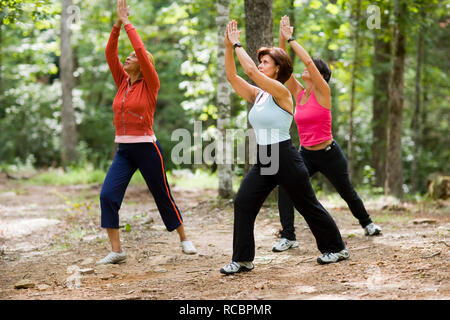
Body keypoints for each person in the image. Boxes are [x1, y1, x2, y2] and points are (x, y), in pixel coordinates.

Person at [220, 20, 349, 275]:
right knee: (244, 202)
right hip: (266, 158)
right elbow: (232, 76)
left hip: (285, 156)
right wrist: (227, 47)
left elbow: (249, 71)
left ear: (278, 70)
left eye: (266, 62)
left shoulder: (281, 92)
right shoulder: (259, 95)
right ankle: (243, 259)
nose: (260, 65)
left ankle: (336, 247)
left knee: (307, 205)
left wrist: (237, 43)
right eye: (261, 61)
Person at [96, 0, 197, 265]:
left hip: (147, 149)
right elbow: (109, 52)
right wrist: (117, 24)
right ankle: (117, 251)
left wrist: (129, 23)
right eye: (126, 57)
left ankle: (184, 238)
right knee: (107, 195)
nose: (127, 57)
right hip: (125, 150)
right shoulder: (122, 82)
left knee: (162, 194)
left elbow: (140, 49)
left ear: (142, 65)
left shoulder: (150, 84)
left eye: (132, 57)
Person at [272, 16, 382, 253]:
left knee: (346, 191)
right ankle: (288, 236)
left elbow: (309, 61)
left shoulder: (323, 92)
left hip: (329, 153)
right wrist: (282, 37)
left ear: (319, 75)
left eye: (309, 69)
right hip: (306, 154)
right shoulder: (299, 93)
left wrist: (291, 39)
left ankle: (368, 223)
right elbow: (284, 67)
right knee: (286, 185)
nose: (303, 69)